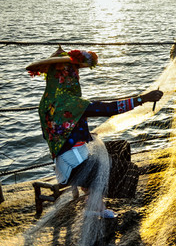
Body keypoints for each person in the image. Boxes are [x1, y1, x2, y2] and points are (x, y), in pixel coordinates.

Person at [27, 46, 163, 218]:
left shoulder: (47, 101)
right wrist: (143, 99)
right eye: (71, 73)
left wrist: (83, 136)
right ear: (62, 77)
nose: (75, 77)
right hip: (75, 167)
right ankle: (94, 205)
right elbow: (109, 108)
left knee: (122, 146)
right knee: (128, 169)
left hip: (70, 160)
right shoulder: (68, 102)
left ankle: (95, 197)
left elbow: (62, 131)